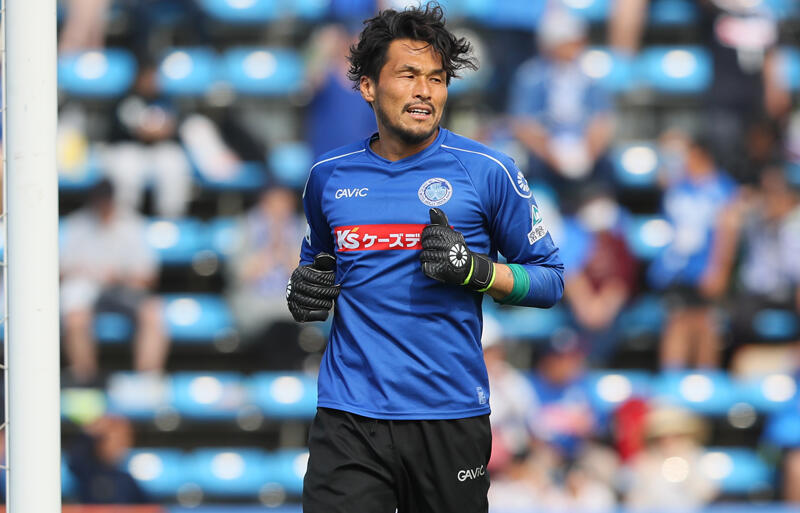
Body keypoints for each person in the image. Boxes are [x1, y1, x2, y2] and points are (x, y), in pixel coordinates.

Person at [285, 3, 564, 512]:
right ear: (368, 86)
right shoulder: (328, 175)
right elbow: (317, 271)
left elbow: (551, 280)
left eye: (436, 79)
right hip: (350, 417)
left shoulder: (488, 170)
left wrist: (476, 271)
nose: (424, 91)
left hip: (449, 415)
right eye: (408, 74)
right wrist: (304, 292)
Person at [60, 179, 168, 384]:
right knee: (74, 317)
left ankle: (147, 380)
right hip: (86, 288)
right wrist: (89, 273)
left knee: (153, 311)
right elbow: (62, 271)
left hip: (122, 289)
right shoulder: (77, 225)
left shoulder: (132, 224)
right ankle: (85, 379)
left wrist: (120, 277)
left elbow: (149, 276)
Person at [508, 7, 615, 211]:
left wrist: (587, 155)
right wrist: (553, 155)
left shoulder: (593, 74)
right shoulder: (531, 76)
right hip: (545, 157)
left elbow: (602, 121)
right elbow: (522, 125)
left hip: (585, 154)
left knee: (606, 169)